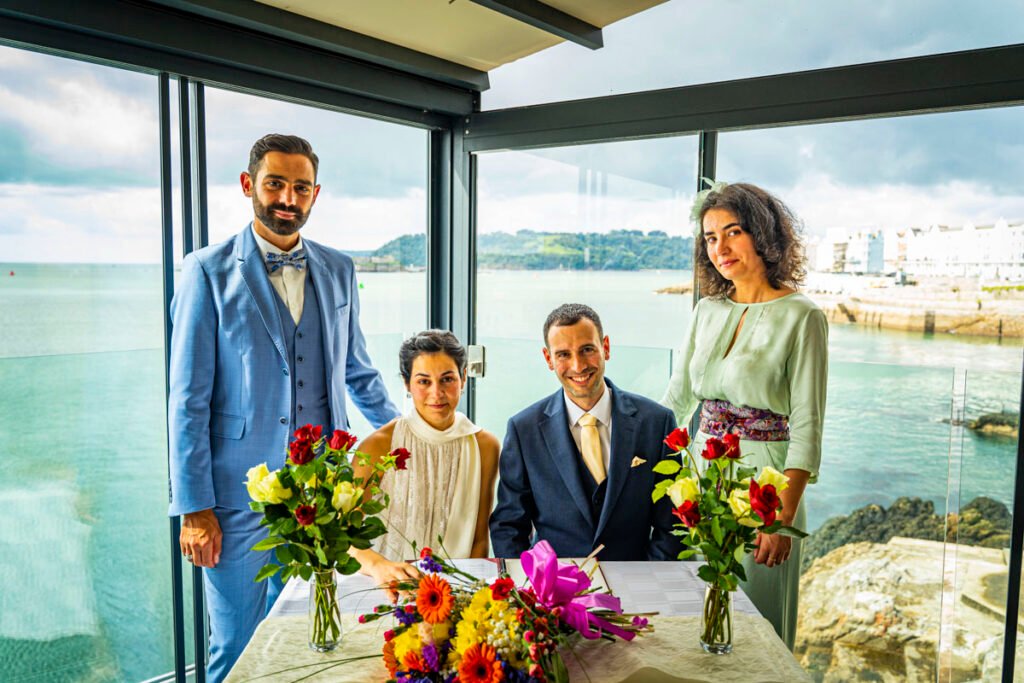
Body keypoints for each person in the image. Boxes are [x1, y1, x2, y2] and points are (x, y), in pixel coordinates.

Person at [167, 134, 399, 682]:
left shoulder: (340, 269)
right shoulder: (204, 270)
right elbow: (187, 399)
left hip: (322, 494)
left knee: (306, 634)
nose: (286, 198)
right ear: (249, 185)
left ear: (315, 194)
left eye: (299, 187)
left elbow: (357, 370)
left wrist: (404, 434)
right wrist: (194, 507)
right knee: (235, 644)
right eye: (275, 183)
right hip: (234, 501)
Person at [662, 182, 828, 650]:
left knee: (756, 623)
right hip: (702, 474)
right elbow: (677, 399)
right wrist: (635, 456)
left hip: (766, 485)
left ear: (763, 233)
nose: (721, 248)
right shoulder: (706, 310)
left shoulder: (803, 316)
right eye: (710, 237)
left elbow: (809, 424)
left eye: (732, 232)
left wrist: (781, 517)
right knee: (696, 609)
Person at [490, 303, 681, 561]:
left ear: (606, 348)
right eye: (563, 355)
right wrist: (530, 589)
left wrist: (649, 580)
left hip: (639, 586)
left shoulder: (657, 422)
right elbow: (509, 526)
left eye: (587, 350)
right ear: (548, 359)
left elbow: (672, 523)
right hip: (554, 591)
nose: (578, 366)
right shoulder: (523, 430)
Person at [350, 330, 500, 592]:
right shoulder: (378, 446)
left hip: (455, 590)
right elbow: (342, 536)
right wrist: (378, 566)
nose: (437, 393)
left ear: (463, 378)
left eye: (447, 379)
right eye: (423, 381)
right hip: (387, 585)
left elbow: (478, 539)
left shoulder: (485, 446)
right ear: (407, 384)